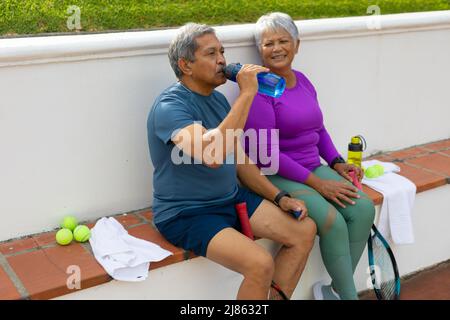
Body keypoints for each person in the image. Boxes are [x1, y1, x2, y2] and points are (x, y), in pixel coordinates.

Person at [146, 22, 317, 300]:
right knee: (260, 263)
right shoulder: (170, 107)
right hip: (188, 213)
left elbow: (241, 161)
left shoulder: (219, 102)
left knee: (304, 231)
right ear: (185, 65)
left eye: (222, 52)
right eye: (211, 53)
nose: (223, 60)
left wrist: (280, 197)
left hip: (230, 198)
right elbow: (212, 155)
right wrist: (248, 93)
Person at [243, 12, 375, 300]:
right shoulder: (260, 91)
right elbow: (265, 154)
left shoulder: (302, 80)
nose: (276, 48)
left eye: (283, 41)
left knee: (363, 209)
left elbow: (319, 129)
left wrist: (338, 162)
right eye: (268, 44)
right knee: (331, 220)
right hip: (276, 172)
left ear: (297, 45)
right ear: (260, 50)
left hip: (312, 167)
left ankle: (336, 291)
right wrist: (319, 183)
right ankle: (349, 298)